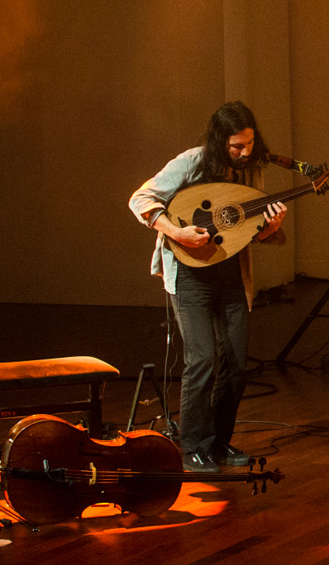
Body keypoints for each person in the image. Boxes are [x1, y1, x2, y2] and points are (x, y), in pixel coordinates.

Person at [129, 101, 287, 473]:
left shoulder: (251, 173)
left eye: (249, 144)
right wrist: (177, 232)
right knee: (202, 360)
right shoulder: (191, 162)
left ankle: (218, 442)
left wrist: (271, 229)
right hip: (190, 277)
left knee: (234, 363)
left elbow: (249, 228)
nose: (245, 152)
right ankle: (192, 447)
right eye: (236, 147)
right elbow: (141, 199)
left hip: (231, 274)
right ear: (219, 142)